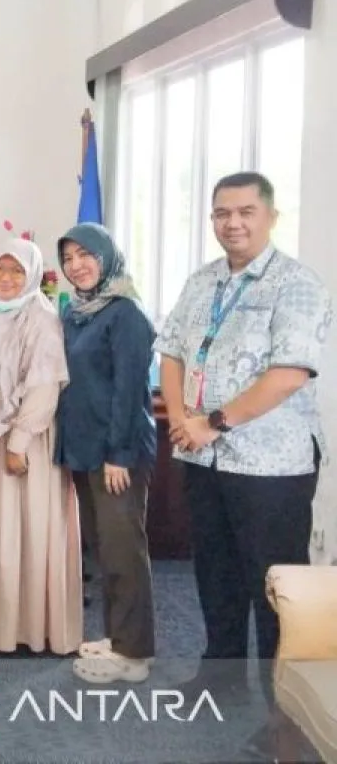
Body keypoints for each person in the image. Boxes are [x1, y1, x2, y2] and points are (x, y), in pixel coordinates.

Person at [156, 172, 332, 708]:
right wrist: (181, 417)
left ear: (270, 217)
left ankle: (288, 706)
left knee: (274, 585)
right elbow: (172, 351)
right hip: (205, 456)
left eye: (245, 211)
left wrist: (212, 422)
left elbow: (289, 374)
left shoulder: (296, 284)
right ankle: (223, 678)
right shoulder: (202, 281)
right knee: (215, 572)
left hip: (270, 465)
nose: (232, 223)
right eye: (221, 213)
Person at [54, 222, 157, 684]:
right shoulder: (79, 312)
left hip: (118, 454)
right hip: (86, 451)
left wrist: (119, 454)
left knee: (124, 553)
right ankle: (118, 638)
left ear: (107, 257)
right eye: (68, 258)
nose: (76, 265)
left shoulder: (125, 313)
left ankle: (134, 654)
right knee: (105, 551)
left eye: (86, 255)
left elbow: (130, 392)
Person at [0, 238, 82, 655]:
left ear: (33, 275)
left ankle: (36, 629)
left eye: (17, 271)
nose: (6, 278)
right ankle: (1, 628)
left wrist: (18, 442)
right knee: (1, 535)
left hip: (29, 441)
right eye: (0, 269)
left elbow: (43, 389)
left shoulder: (40, 317)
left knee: (32, 529)